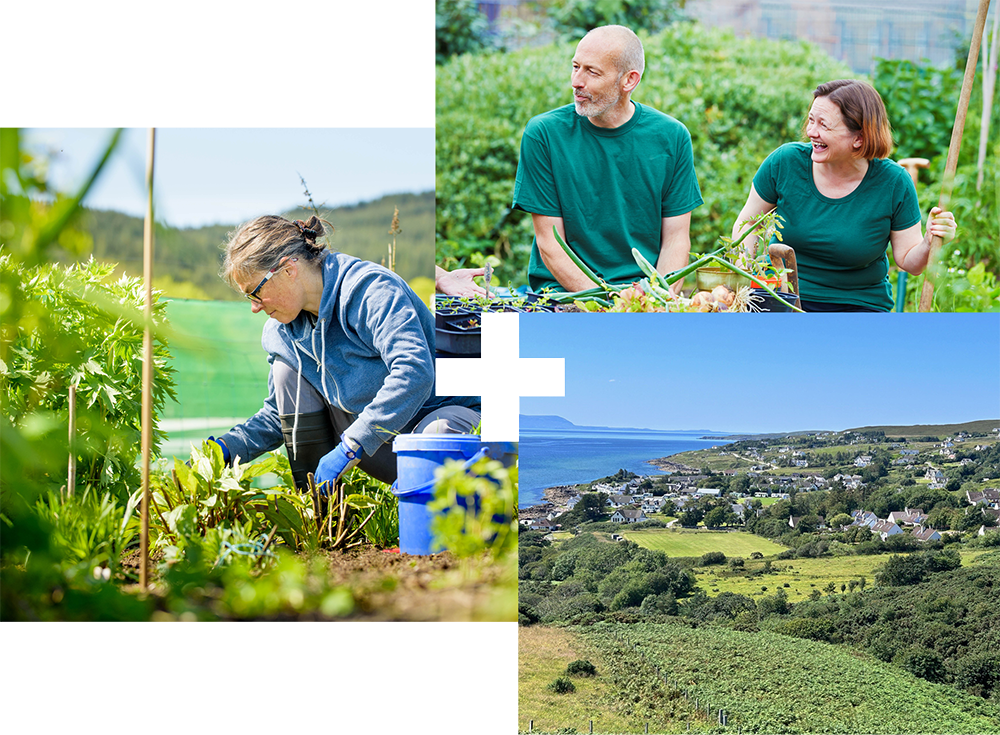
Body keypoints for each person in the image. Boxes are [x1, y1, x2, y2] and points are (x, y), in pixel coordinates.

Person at [207, 215, 481, 492]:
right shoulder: (282, 331)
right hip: (377, 443)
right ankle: (317, 504)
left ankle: (444, 515)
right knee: (285, 371)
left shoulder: (370, 291)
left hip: (443, 423)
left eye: (255, 293)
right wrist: (225, 449)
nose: (254, 307)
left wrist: (350, 446)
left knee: (437, 435)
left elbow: (414, 372)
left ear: (288, 269)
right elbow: (281, 415)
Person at [731, 79, 958, 312]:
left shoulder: (893, 182)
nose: (811, 132)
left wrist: (930, 241)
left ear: (859, 138)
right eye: (811, 120)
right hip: (781, 298)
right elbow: (747, 224)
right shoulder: (785, 163)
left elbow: (910, 262)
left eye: (824, 125)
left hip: (857, 308)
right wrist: (743, 279)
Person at [511, 25, 703, 294]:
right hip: (566, 295)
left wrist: (656, 298)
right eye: (575, 67)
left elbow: (676, 239)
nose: (576, 81)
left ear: (629, 81)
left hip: (643, 295)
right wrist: (610, 302)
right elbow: (550, 244)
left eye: (592, 72)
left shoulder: (672, 137)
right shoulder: (544, 134)